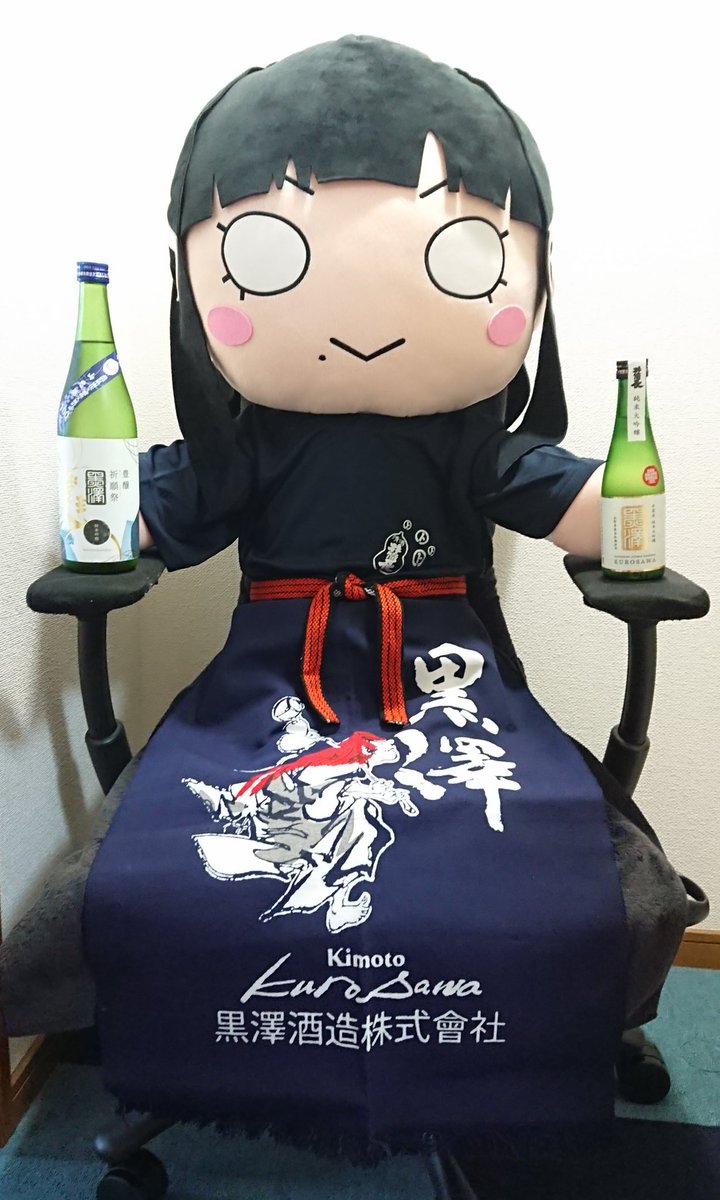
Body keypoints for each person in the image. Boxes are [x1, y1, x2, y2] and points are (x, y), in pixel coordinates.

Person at [2, 35, 689, 1161]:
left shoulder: (468, 438)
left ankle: (503, 1053)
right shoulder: (249, 442)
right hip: (267, 686)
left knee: (539, 873)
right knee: (184, 867)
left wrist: (621, 509)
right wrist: (99, 514)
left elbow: (588, 500)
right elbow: (132, 513)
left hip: (449, 684)